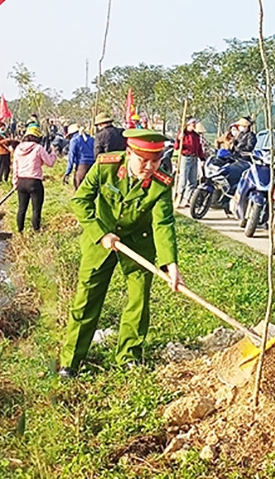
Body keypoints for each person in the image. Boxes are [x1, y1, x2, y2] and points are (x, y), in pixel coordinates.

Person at [58, 129, 184, 376]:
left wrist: (170, 264)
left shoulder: (160, 183)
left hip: (139, 243)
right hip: (100, 239)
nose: (149, 167)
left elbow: (163, 223)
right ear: (128, 153)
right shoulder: (106, 166)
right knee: (86, 300)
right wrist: (101, 234)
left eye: (155, 161)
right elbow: (81, 201)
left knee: (138, 301)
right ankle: (71, 361)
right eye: (143, 160)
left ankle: (128, 357)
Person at [12, 126, 58, 233]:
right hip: (34, 182)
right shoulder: (38, 148)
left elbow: (15, 167)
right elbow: (50, 163)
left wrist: (15, 182)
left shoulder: (18, 148)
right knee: (36, 209)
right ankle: (36, 231)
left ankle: (20, 231)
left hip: (21, 181)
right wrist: (53, 153)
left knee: (21, 208)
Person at [174, 118, 206, 207]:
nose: (194, 125)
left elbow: (199, 148)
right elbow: (176, 147)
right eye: (193, 123)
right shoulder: (183, 134)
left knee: (193, 181)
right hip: (186, 158)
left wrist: (202, 158)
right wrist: (179, 139)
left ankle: (187, 199)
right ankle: (178, 198)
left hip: (194, 158)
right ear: (188, 124)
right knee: (183, 179)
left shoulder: (196, 136)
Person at [64, 124, 96, 190]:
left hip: (82, 166)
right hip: (93, 165)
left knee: (79, 188)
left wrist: (68, 172)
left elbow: (71, 156)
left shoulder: (74, 140)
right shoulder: (91, 139)